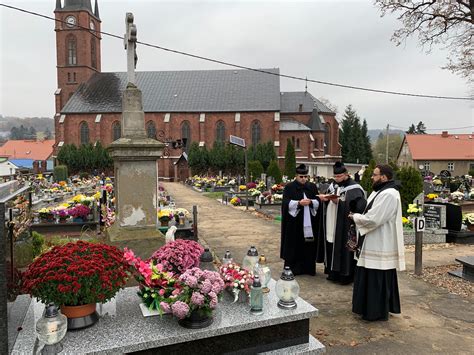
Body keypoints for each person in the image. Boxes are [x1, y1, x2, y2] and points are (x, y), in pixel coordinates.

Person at [349, 164, 405, 321]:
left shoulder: (389, 194)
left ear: (384, 177)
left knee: (377, 275)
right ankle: (366, 308)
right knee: (369, 273)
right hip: (372, 239)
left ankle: (376, 312)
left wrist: (355, 217)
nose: (372, 177)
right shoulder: (379, 191)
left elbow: (375, 219)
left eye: (374, 175)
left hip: (381, 241)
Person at [280, 164, 327, 276]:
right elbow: (286, 203)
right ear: (296, 176)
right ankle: (293, 269)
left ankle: (308, 268)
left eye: (306, 177)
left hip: (309, 222)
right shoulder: (289, 187)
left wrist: (311, 202)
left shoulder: (312, 187)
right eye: (301, 177)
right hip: (294, 223)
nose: (304, 179)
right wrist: (298, 203)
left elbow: (317, 201)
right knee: (294, 244)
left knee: (309, 244)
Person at [324, 162, 367, 285]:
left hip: (345, 224)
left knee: (344, 246)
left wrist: (340, 202)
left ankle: (345, 275)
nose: (336, 179)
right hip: (332, 220)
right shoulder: (332, 186)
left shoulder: (354, 188)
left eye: (339, 177)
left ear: (346, 175)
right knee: (332, 244)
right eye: (335, 177)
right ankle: (333, 273)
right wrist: (325, 200)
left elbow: (358, 206)